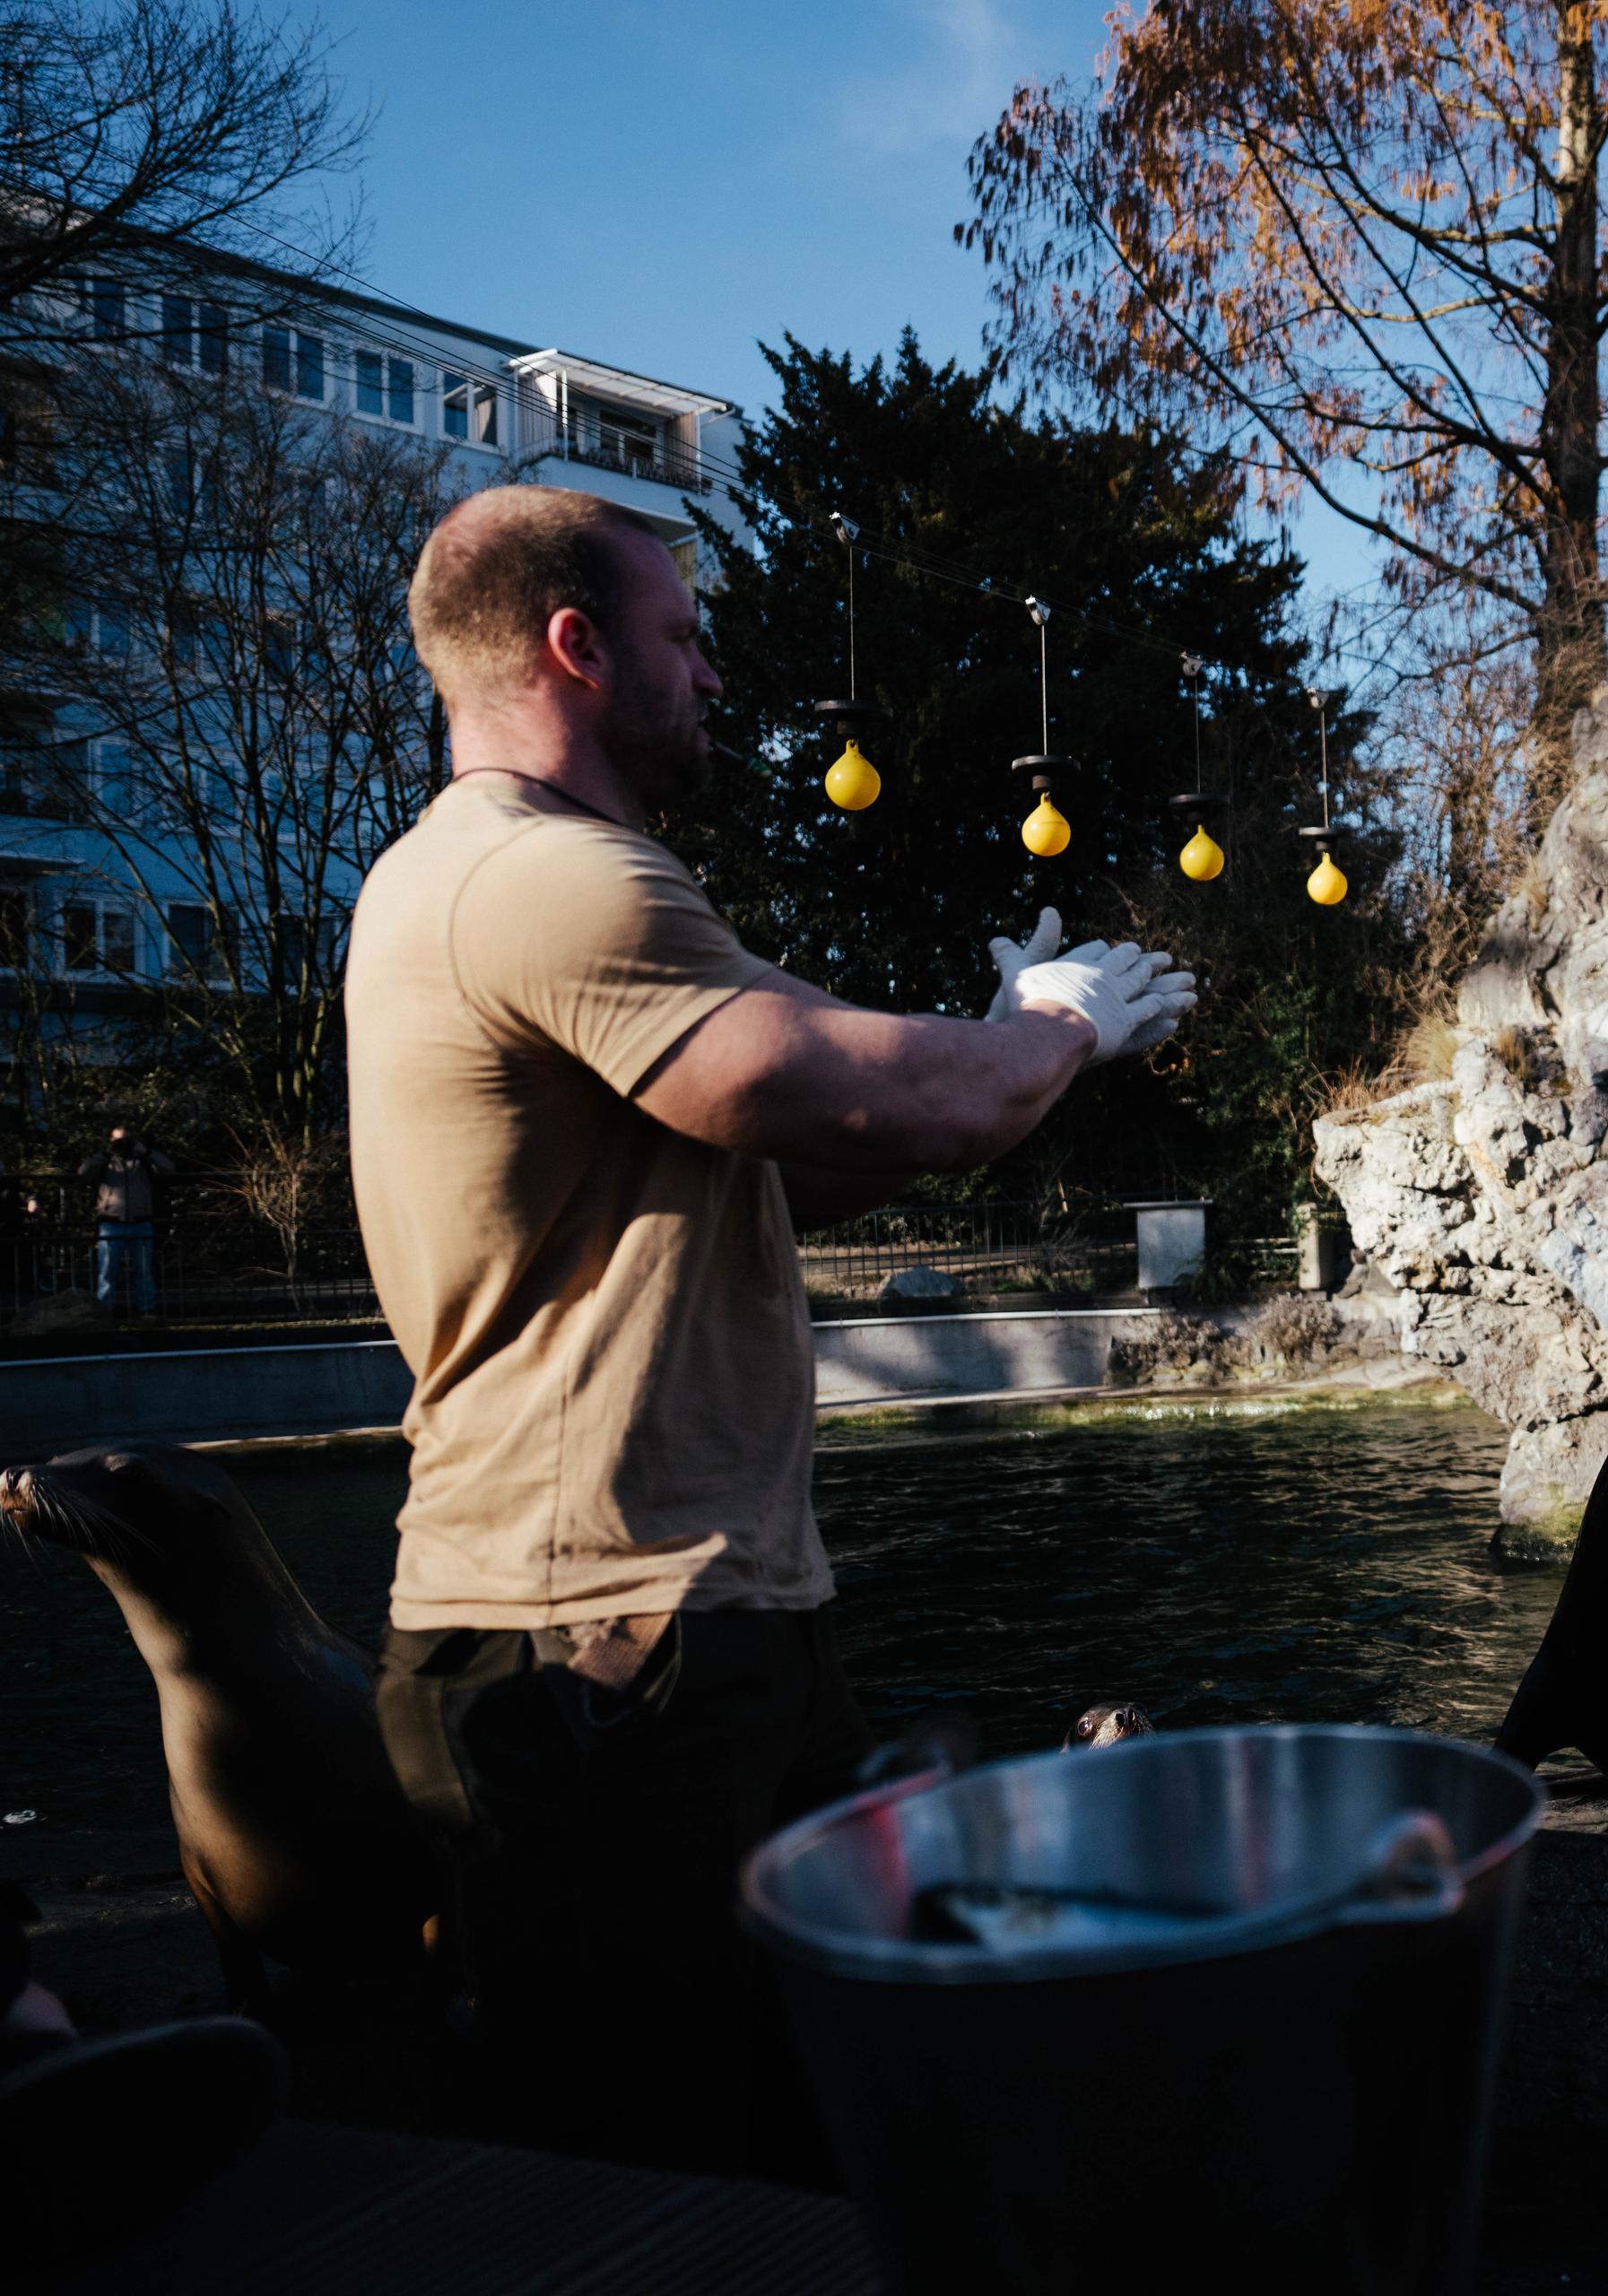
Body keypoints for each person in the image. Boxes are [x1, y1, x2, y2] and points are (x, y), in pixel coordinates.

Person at [344, 483, 1197, 2178]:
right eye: (684, 636)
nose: (714, 673)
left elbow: (786, 1161)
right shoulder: (544, 880)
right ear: (576, 648)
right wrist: (1047, 1034)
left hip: (697, 1619)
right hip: (597, 1643)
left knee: (818, 2147)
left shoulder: (524, 882)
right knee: (656, 2188)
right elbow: (904, 1104)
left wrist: (996, 1041)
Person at [79, 1127, 170, 1319]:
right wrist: (105, 1154)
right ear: (110, 1141)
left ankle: (147, 1310)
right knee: (107, 1272)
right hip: (111, 1223)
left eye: (126, 1140)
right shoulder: (105, 1162)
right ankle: (104, 1312)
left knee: (144, 1270)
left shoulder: (143, 1161)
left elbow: (168, 1168)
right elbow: (83, 1172)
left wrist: (146, 1152)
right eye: (117, 1140)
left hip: (141, 1222)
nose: (122, 1144)